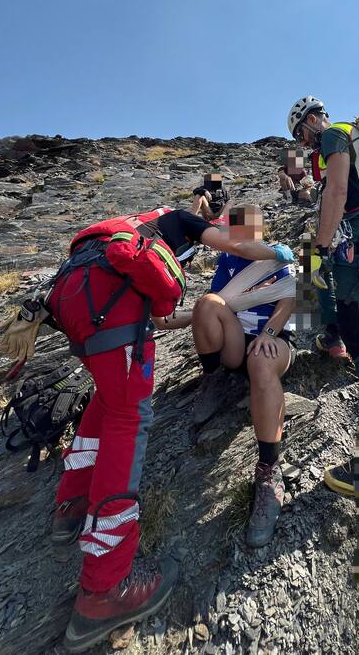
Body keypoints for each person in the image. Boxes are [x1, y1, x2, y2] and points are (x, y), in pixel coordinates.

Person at [44, 207, 293, 652]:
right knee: (127, 410)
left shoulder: (140, 224)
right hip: (120, 303)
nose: (235, 233)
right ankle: (104, 580)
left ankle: (72, 506)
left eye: (245, 225)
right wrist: (183, 318)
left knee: (110, 404)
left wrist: (275, 323)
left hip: (73, 292)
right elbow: (220, 290)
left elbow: (297, 300)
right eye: (232, 226)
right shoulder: (219, 254)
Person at [287, 96, 359, 497]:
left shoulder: (336, 134)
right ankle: (331, 336)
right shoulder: (348, 140)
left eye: (301, 131)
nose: (303, 141)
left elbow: (337, 192)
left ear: (314, 119)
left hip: (357, 242)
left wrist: (319, 249)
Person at [190, 204, 296, 548]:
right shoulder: (229, 261)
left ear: (261, 229)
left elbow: (289, 301)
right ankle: (213, 377)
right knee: (206, 303)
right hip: (237, 337)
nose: (242, 232)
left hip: (273, 338)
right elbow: (217, 302)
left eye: (249, 226)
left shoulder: (278, 259)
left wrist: (269, 331)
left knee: (262, 363)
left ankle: (269, 469)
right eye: (237, 227)